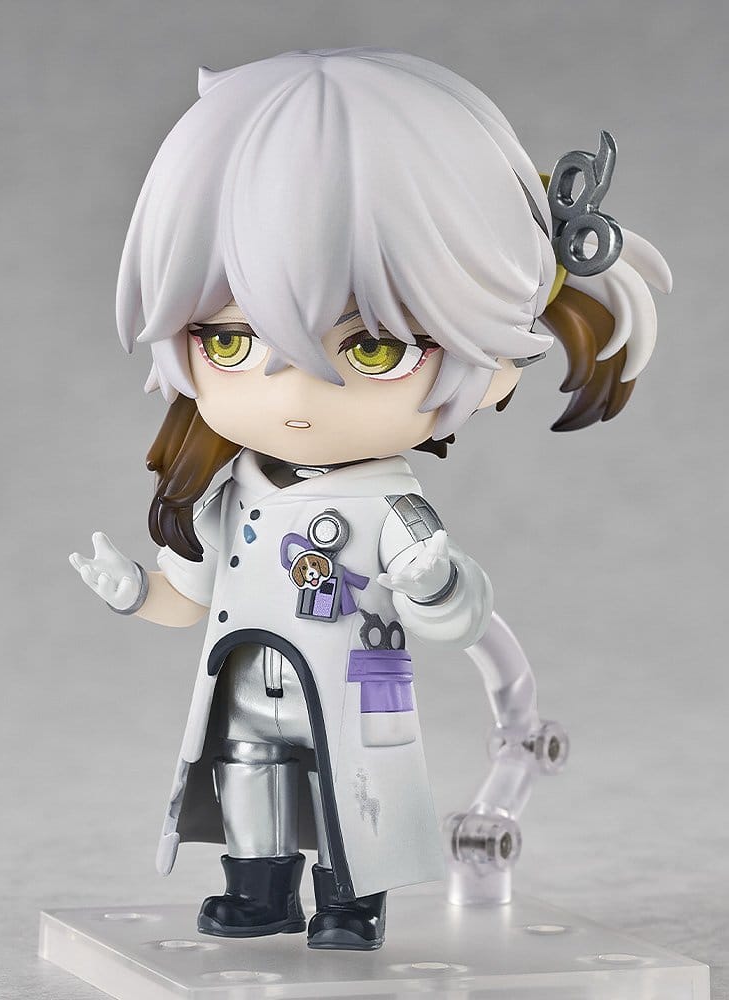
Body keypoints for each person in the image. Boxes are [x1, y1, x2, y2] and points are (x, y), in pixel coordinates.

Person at [69, 48, 670, 951]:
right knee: (251, 779)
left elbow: (455, 612)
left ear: (492, 362)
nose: (291, 392)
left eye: (372, 349)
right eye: (228, 342)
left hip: (353, 690)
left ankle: (349, 902)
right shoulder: (230, 494)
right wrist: (133, 593)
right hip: (248, 693)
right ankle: (258, 891)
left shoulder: (391, 507)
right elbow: (187, 596)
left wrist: (431, 581)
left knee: (354, 793)